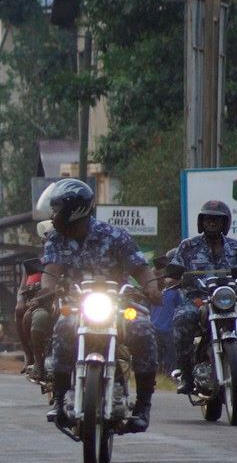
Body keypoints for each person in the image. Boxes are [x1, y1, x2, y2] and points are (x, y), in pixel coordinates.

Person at [39, 178, 162, 432]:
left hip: (116, 303)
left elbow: (140, 268)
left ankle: (143, 406)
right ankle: (60, 398)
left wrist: (150, 286)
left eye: (57, 208)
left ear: (75, 209)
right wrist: (46, 290)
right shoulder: (55, 239)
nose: (53, 214)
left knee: (143, 328)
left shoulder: (114, 235)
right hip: (77, 305)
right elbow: (50, 272)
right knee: (63, 327)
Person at [171, 201, 237, 393]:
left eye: (216, 219)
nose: (211, 223)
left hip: (231, 300)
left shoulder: (236, 247)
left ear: (225, 223)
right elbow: (175, 269)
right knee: (182, 318)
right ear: (201, 222)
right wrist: (176, 276)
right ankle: (187, 374)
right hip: (198, 299)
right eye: (207, 218)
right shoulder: (188, 246)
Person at [17, 219, 56, 380]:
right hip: (47, 303)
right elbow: (31, 286)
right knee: (32, 317)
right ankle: (37, 363)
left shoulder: (78, 255)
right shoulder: (43, 262)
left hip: (76, 304)